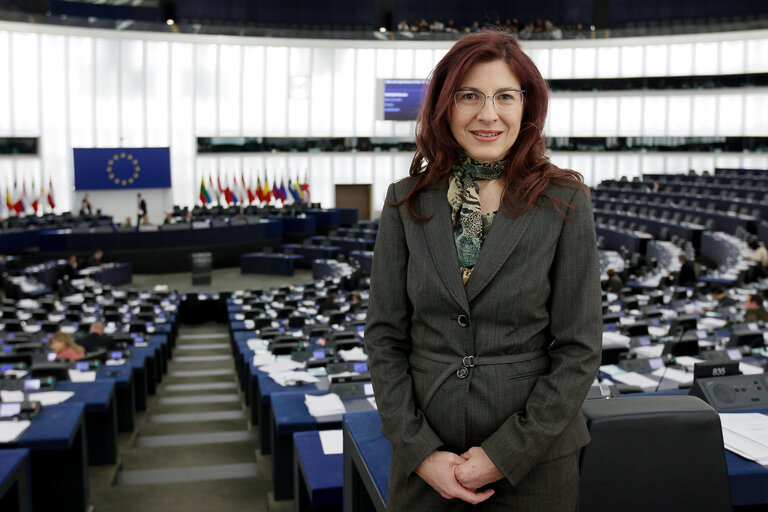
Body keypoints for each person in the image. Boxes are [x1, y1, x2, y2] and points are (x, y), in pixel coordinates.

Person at [366, 31, 602, 510]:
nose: (488, 114)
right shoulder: (404, 200)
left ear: (527, 107)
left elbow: (578, 349)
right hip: (426, 465)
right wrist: (421, 451)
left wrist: (503, 454)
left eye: (504, 97)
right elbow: (384, 339)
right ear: (443, 107)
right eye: (469, 95)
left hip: (533, 463)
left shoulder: (566, 202)